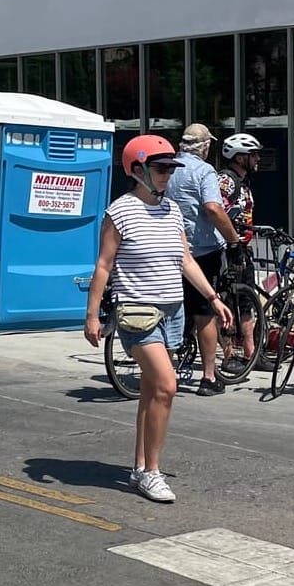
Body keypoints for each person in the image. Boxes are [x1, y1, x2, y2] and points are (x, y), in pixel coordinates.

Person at [84, 135, 232, 503]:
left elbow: (185, 260)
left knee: (151, 392)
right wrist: (91, 315)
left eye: (170, 168)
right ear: (137, 170)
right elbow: (104, 265)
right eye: (161, 168)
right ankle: (152, 471)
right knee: (167, 386)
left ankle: (138, 468)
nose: (168, 175)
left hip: (172, 311)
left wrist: (213, 298)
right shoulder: (120, 212)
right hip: (137, 313)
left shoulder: (172, 211)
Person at [164, 123, 239, 396]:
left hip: (171, 248)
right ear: (205, 147)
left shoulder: (168, 168)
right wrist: (233, 239)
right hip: (201, 250)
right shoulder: (204, 171)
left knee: (173, 307)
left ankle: (167, 370)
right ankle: (208, 376)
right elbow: (213, 208)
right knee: (205, 312)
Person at [217, 132, 263, 367]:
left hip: (243, 249)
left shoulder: (243, 182)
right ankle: (228, 355)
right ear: (238, 157)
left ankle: (251, 353)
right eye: (252, 154)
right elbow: (216, 212)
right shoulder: (226, 181)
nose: (257, 159)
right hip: (229, 249)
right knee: (227, 300)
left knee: (246, 301)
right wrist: (232, 240)